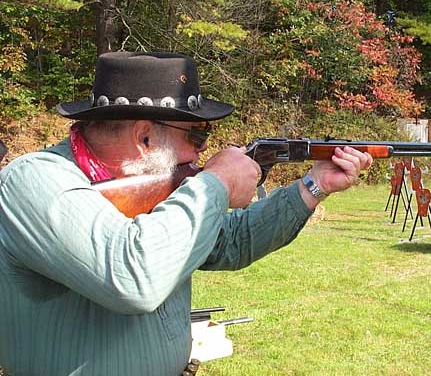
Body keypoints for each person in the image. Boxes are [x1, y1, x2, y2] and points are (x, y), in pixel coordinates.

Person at [0, 52, 372, 376]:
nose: (200, 152)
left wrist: (315, 185)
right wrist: (216, 184)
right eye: (196, 137)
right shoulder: (34, 181)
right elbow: (131, 278)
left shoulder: (157, 190)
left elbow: (231, 242)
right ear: (144, 137)